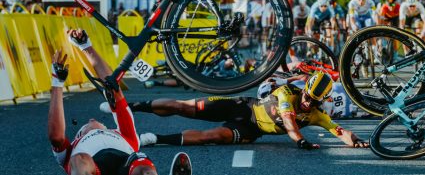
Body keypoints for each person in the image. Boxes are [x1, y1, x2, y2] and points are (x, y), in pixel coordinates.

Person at [48, 29, 192, 175]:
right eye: (87, 124)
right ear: (79, 134)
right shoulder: (71, 149)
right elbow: (56, 137)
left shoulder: (124, 134)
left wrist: (86, 46)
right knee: (79, 160)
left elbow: (113, 88)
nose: (92, 119)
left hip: (127, 168)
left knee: (143, 167)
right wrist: (57, 82)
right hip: (92, 169)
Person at [103, 72, 369, 150]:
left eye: (314, 101)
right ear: (304, 90)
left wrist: (355, 141)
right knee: (184, 107)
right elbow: (289, 123)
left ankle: (154, 139)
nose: (308, 104)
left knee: (212, 137)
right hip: (243, 106)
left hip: (251, 129)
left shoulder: (317, 114)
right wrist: (300, 141)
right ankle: (131, 106)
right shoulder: (288, 94)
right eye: (308, 96)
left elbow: (339, 130)